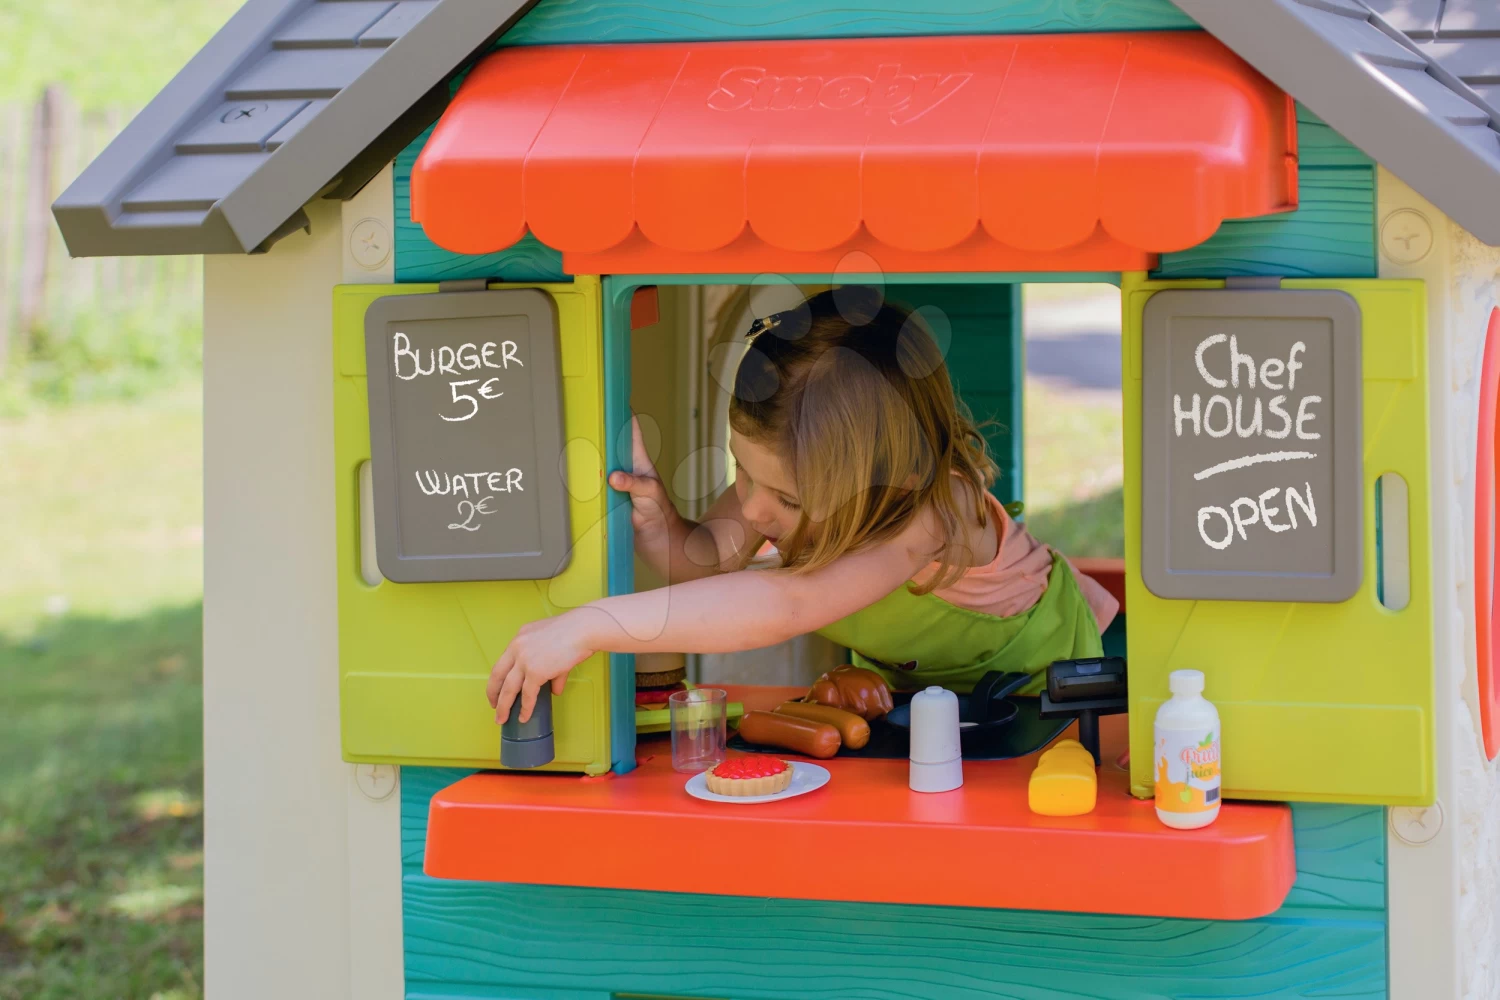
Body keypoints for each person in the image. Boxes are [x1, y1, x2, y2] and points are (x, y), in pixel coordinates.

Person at [488, 288, 1118, 725]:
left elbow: (789, 602)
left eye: (787, 498)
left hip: (1045, 692)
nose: (755, 511)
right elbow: (701, 564)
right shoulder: (776, 484)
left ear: (891, 484)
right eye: (742, 471)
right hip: (922, 705)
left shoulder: (934, 510)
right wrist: (660, 525)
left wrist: (590, 624)